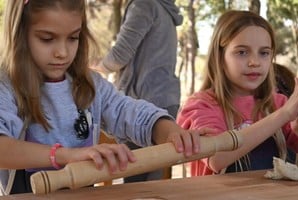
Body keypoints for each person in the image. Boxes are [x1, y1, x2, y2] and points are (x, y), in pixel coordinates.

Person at [0, 0, 206, 195]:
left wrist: (169, 131)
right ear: (20, 33)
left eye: (73, 38)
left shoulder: (91, 85)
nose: (62, 52)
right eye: (47, 39)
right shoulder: (7, 86)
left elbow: (131, 113)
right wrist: (66, 155)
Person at [177, 10, 298, 176]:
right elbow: (217, 159)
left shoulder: (278, 103)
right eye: (242, 52)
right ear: (219, 57)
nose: (254, 62)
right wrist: (283, 115)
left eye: (264, 53)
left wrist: (297, 129)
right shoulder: (201, 105)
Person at [94, 0, 182, 182]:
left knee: (136, 176)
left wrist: (94, 67)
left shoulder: (144, 5)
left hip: (143, 102)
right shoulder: (166, 10)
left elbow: (119, 56)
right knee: (154, 180)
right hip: (167, 98)